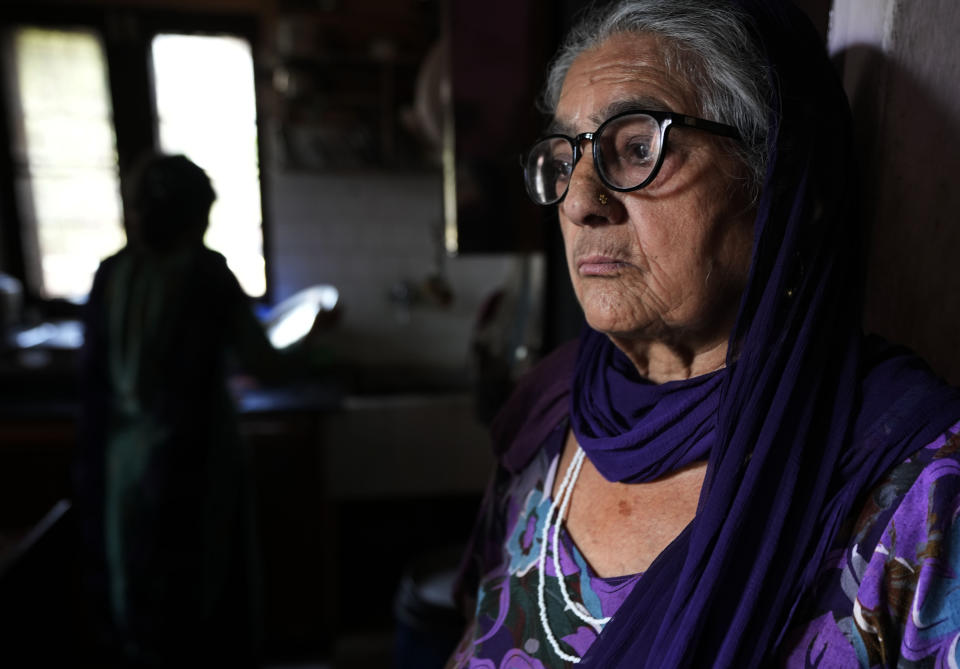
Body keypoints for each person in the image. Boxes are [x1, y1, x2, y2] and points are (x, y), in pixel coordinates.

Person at [448, 0, 960, 666]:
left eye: (636, 148)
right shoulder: (547, 415)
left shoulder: (921, 488)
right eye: (567, 155)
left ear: (778, 184)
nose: (579, 201)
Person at [75, 154, 321, 667]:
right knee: (203, 599)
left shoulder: (110, 275)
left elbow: (94, 380)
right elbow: (262, 362)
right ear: (192, 216)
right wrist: (320, 341)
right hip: (195, 463)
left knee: (136, 594)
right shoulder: (205, 273)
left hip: (121, 464)